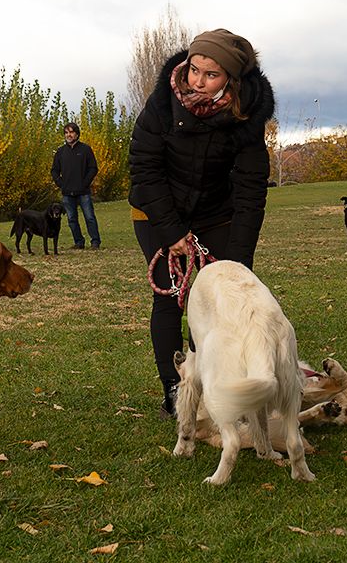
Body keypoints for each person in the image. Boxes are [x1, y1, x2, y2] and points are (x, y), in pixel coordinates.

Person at [129, 28, 275, 417]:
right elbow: (144, 167)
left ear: (231, 78)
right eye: (195, 70)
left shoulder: (246, 116)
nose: (198, 81)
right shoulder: (162, 102)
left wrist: (239, 261)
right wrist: (172, 231)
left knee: (221, 301)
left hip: (215, 213)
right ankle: (176, 392)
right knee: (171, 298)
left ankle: (218, 385)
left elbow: (250, 189)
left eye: (211, 75)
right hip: (156, 210)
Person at [51, 122, 101, 250]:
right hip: (67, 193)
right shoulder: (61, 152)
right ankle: (79, 242)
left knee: (89, 217)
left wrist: (85, 183)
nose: (69, 135)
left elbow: (93, 168)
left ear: (77, 134)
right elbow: (54, 170)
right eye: (66, 133)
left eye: (71, 132)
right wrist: (61, 183)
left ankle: (95, 242)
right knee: (72, 219)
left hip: (83, 191)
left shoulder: (85, 149)